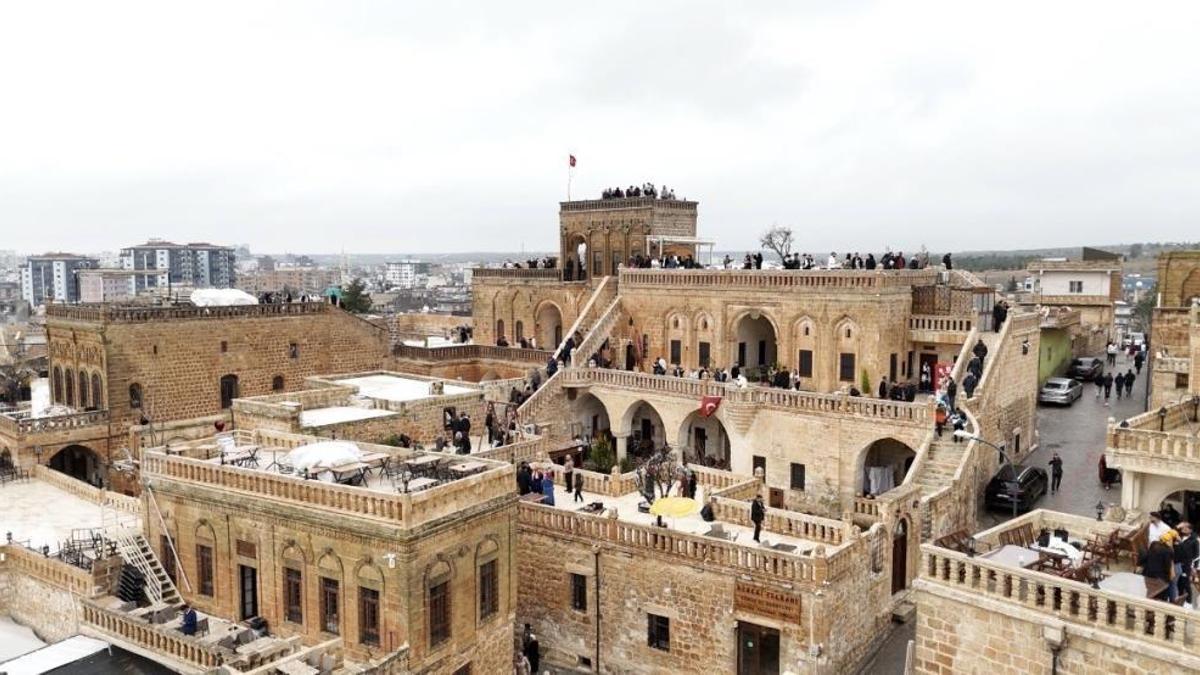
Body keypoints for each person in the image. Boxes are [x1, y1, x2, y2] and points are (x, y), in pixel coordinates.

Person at [1174, 522, 1198, 606]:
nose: (1183, 529)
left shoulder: (1194, 541)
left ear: (1190, 530)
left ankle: (1189, 601)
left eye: (1185, 528)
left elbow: (1196, 555)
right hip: (1177, 562)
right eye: (1182, 528)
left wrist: (1194, 567)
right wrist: (1177, 526)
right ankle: (1180, 599)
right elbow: (1172, 532)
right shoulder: (1179, 535)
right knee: (1179, 582)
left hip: (1186, 564)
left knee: (1186, 582)